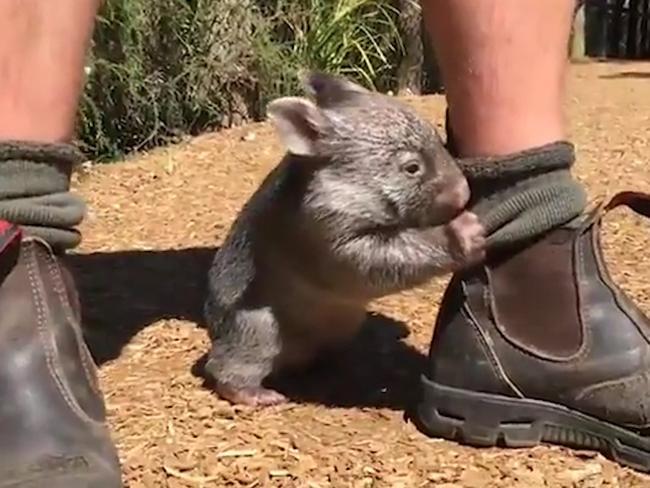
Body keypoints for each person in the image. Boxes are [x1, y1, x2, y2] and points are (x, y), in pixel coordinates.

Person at [1, 0, 649, 486]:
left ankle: (527, 232)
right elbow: (358, 264)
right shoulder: (326, 208)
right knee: (258, 331)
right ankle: (12, 226)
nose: (452, 184)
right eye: (414, 169)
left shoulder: (343, 178)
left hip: (317, 297)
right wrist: (438, 249)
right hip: (269, 310)